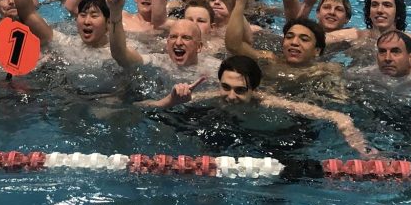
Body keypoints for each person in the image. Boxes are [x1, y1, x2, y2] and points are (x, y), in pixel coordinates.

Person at [137, 56, 373, 155]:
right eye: (226, 87)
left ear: (255, 90)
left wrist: (362, 148)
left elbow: (338, 117)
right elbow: (143, 107)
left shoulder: (270, 102)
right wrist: (170, 101)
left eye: (240, 90)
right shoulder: (209, 96)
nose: (230, 95)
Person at [327, 0, 411, 47]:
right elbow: (319, 40)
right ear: (369, 12)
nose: (379, 10)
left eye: (387, 5)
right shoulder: (356, 36)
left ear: (397, 13)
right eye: (374, 5)